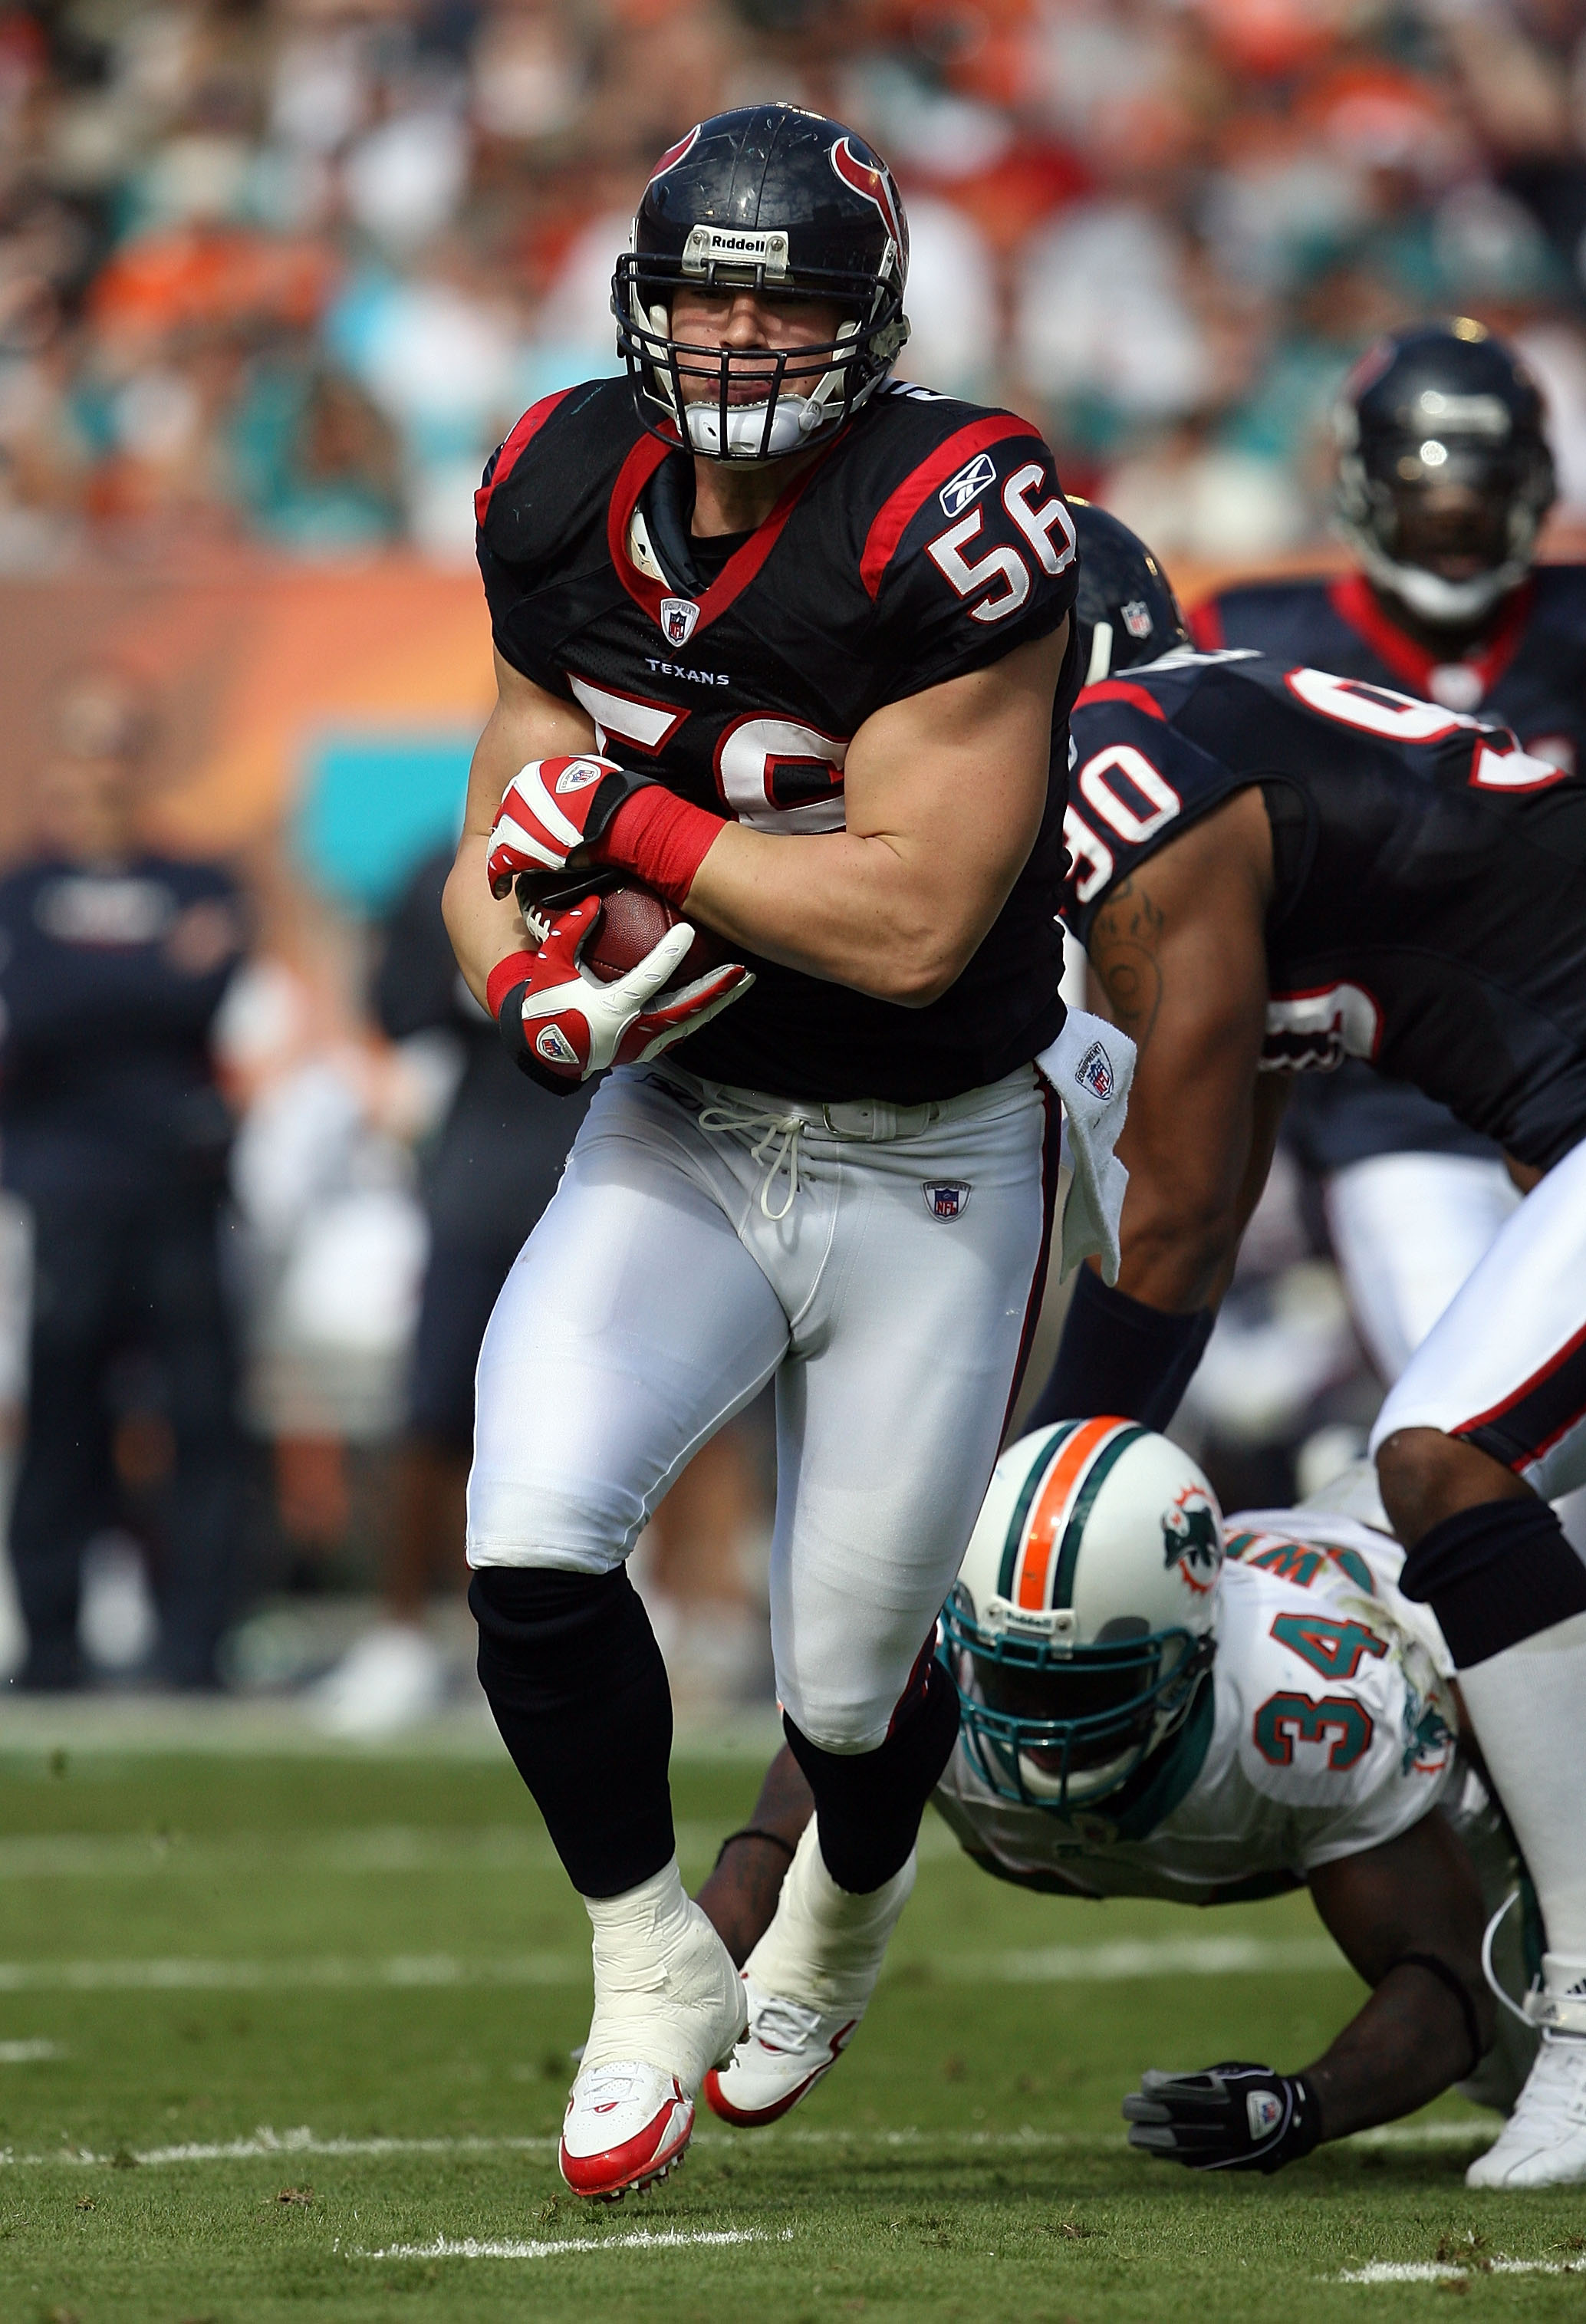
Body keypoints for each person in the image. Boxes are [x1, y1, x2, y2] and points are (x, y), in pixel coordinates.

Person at [442, 103, 1090, 2201]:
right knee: (530, 1525)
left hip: (930, 1147)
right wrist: (520, 981)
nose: (736, 335)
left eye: (783, 295)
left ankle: (840, 1908)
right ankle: (644, 1952)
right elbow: (501, 827)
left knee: (842, 1668)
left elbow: (909, 921)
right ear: (640, 302)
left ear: (869, 319)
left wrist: (630, 839)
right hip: (688, 1114)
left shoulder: (950, 505)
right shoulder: (554, 480)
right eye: (704, 290)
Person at [1032, 507, 1586, 2188]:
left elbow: (1186, 1224)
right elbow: (1196, 1196)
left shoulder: (1116, 764)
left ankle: (1584, 2012)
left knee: (1439, 1466)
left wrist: (1041, 1486)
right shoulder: (1212, 752)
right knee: (1439, 1504)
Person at [699, 1427, 1524, 2168]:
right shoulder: (925, 1662)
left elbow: (1447, 1982)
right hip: (1277, 1550)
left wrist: (1301, 2106)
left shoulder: (1308, 1712)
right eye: (1016, 1675)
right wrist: (671, 2000)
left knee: (1528, 2066)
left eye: (1088, 1685)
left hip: (1446, 1603)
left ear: (1196, 1655)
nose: (1045, 1723)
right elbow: (766, 1849)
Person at [1188, 321, 1584, 1385]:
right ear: (1365, 489)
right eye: (1425, 492)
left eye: (1480, 494)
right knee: (1476, 1416)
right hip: (1389, 1111)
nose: (1454, 527)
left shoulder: (1571, 627)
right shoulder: (1255, 639)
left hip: (1573, 1090)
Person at [311, 847, 596, 1736]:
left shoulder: (647, 840)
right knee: (437, 1405)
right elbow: (396, 1011)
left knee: (639, 1410)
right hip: (485, 1160)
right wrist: (489, 974)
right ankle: (403, 1634)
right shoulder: (452, 863)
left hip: (621, 1156)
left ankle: (669, 1616)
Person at [0, 666, 246, 1690]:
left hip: (177, 1188)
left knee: (199, 1413)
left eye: (121, 741)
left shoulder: (201, 883)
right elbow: (44, 1007)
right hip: (60, 1189)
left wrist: (93, 991)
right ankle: (49, 1640)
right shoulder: (19, 890)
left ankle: (197, 1644)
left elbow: (204, 994)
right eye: (86, 739)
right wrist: (148, 978)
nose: (102, 764)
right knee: (62, 1413)